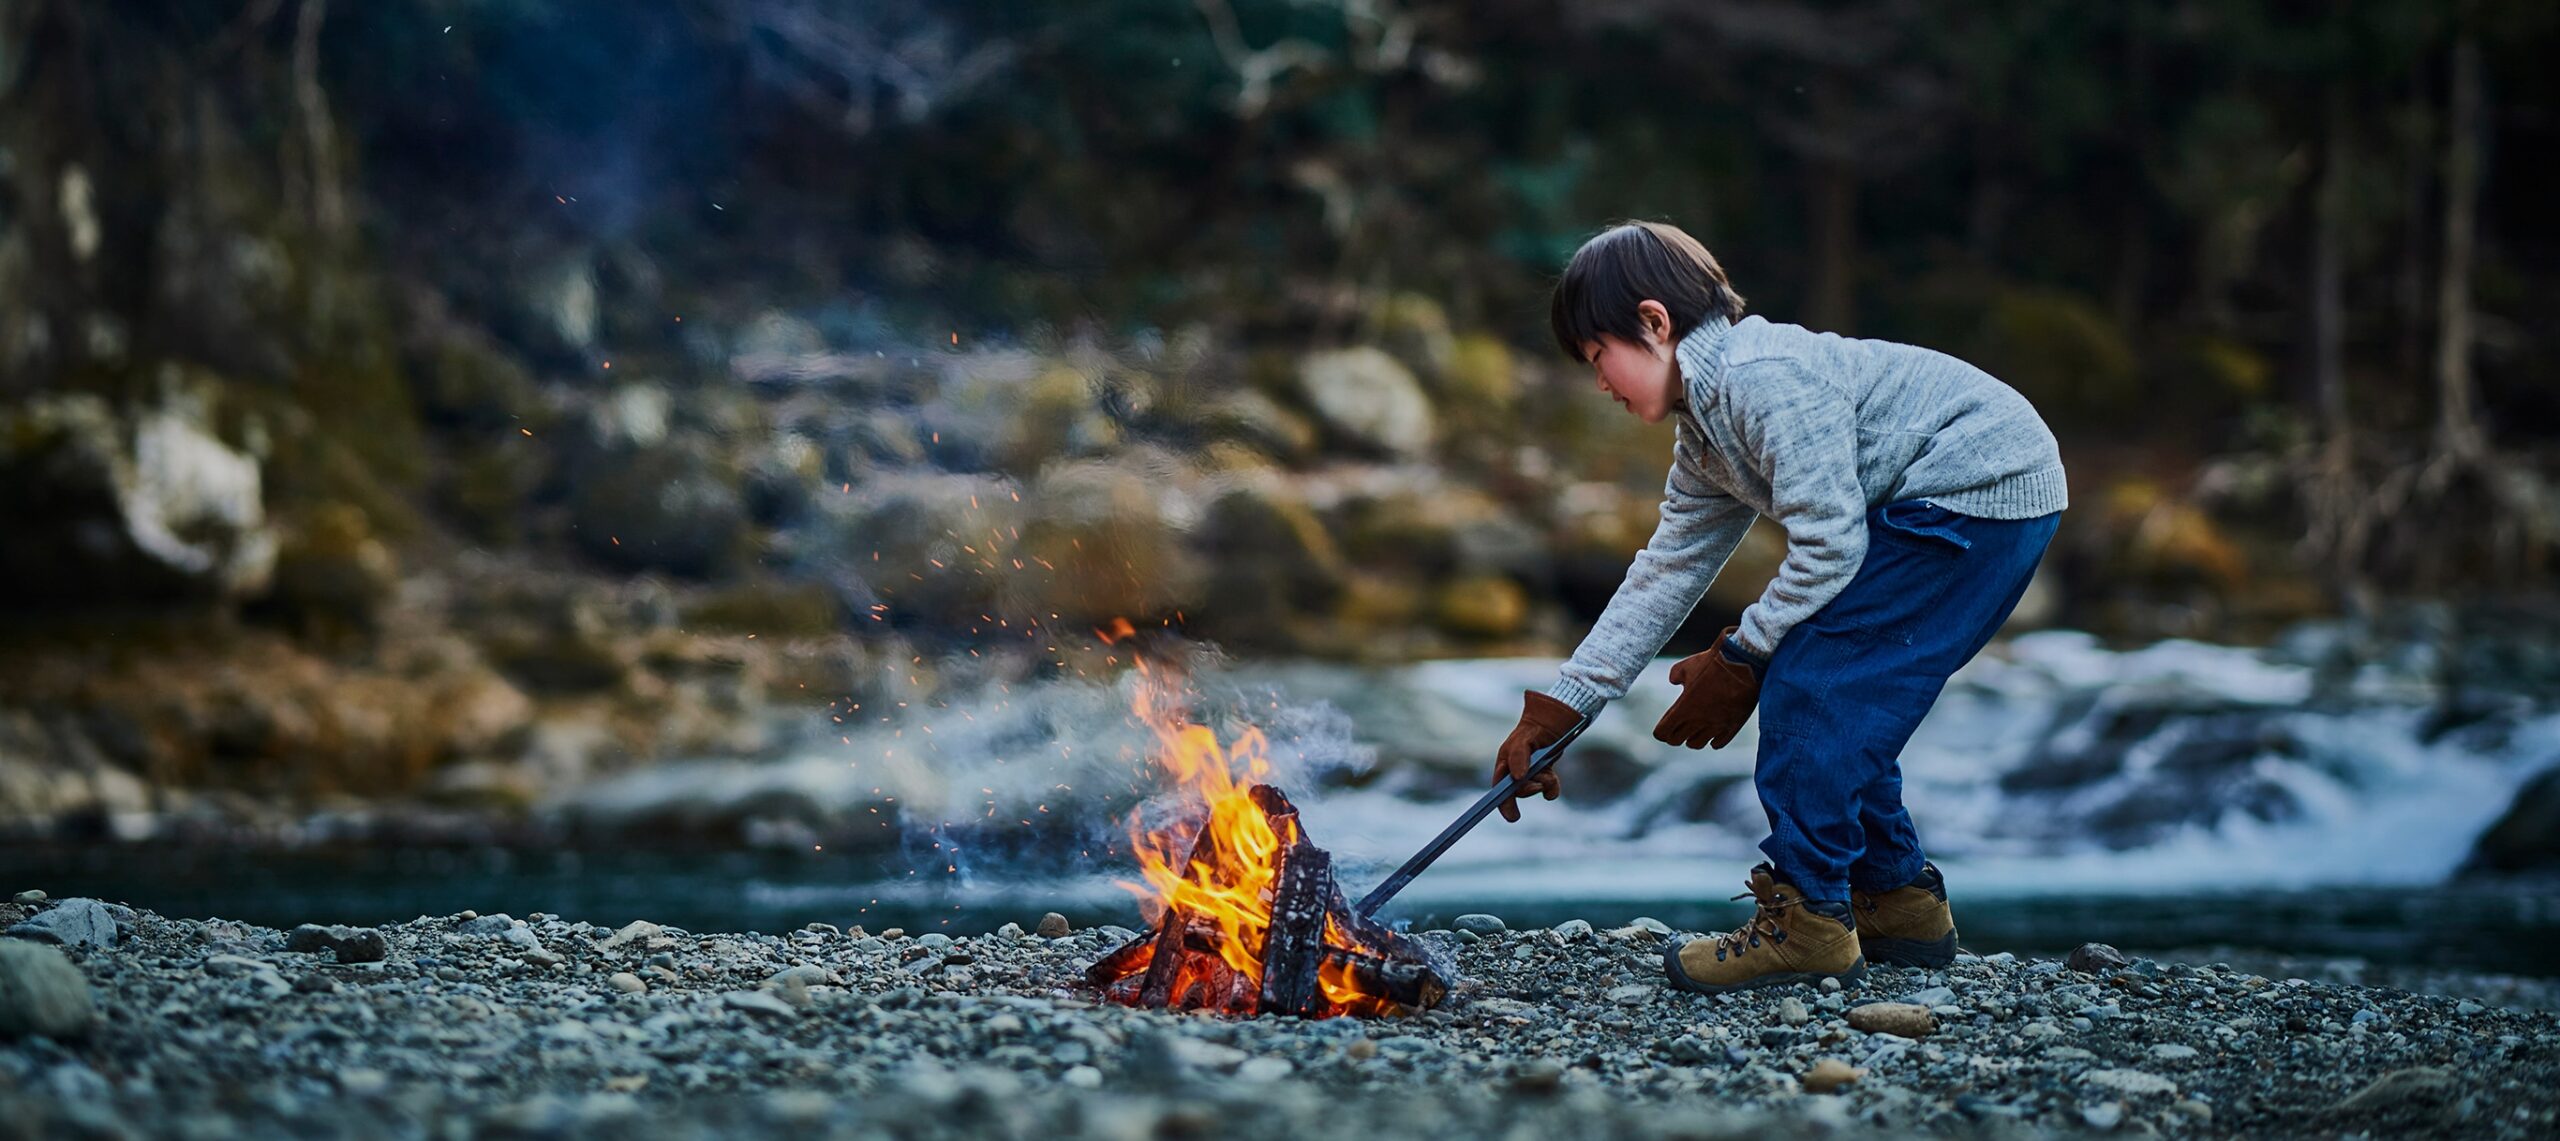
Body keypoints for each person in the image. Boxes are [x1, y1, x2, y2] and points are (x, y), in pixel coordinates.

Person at [1495, 221, 2067, 993]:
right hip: (1946, 498)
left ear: (1655, 324)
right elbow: (1667, 569)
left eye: (1601, 356)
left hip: (1982, 489)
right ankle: (1896, 901)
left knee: (1811, 684)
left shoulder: (1764, 380)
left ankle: (1811, 923)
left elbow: (1830, 547)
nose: (1600, 382)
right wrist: (1562, 707)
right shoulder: (1705, 431)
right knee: (1841, 688)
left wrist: (1745, 652)